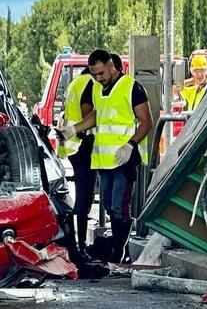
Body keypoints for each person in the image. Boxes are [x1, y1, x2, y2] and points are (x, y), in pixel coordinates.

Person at [56, 49, 153, 263]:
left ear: (112, 66)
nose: (97, 78)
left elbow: (147, 121)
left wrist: (131, 144)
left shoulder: (132, 87)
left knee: (119, 207)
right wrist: (74, 129)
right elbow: (97, 116)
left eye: (100, 73)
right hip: (104, 160)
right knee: (109, 206)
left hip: (125, 159)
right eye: (94, 74)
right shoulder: (98, 89)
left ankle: (118, 253)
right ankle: (117, 250)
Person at [55, 66, 95, 264]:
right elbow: (87, 113)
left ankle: (78, 245)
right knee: (84, 198)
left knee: (82, 195)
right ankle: (80, 247)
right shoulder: (90, 83)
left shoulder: (74, 84)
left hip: (72, 146)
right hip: (82, 143)